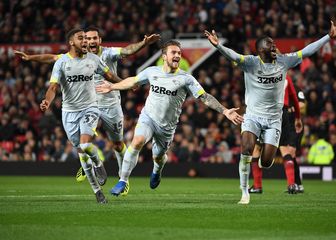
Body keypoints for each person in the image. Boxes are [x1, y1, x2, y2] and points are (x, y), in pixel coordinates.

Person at [15, 27, 160, 196]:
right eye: (86, 38)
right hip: (89, 104)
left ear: (99, 41)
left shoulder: (108, 53)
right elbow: (53, 58)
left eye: (93, 38)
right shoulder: (70, 58)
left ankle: (123, 177)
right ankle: (88, 164)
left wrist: (143, 44)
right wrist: (30, 58)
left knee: (117, 143)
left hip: (110, 104)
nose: (89, 41)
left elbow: (127, 51)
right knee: (82, 144)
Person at [205, 20, 336, 204]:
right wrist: (218, 45)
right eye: (270, 44)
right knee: (247, 148)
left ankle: (263, 162)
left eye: (274, 43)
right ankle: (244, 192)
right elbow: (234, 56)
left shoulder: (284, 61)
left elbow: (307, 51)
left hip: (275, 120)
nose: (274, 46)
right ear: (260, 50)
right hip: (252, 116)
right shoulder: (250, 63)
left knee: (266, 162)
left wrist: (328, 37)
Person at [95, 40, 244, 196]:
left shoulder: (186, 79)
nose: (177, 56)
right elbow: (133, 80)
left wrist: (225, 111)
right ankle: (123, 181)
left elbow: (204, 97)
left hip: (167, 127)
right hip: (148, 118)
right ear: (164, 56)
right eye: (174, 52)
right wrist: (112, 86)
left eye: (179, 53)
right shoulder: (152, 71)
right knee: (137, 141)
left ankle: (157, 170)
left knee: (158, 157)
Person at [40, 28, 122, 204]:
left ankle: (99, 164)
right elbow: (53, 87)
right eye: (81, 38)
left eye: (86, 38)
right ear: (71, 42)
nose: (85, 41)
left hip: (90, 108)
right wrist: (47, 101)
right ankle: (97, 191)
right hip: (69, 112)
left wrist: (124, 84)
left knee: (85, 144)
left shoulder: (94, 59)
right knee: (81, 153)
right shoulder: (62, 63)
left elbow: (109, 75)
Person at [249, 75, 303, 194]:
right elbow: (294, 97)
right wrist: (298, 117)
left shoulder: (262, 74)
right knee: (285, 149)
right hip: (282, 113)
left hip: (265, 111)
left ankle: (257, 186)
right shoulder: (286, 76)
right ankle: (291, 185)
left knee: (257, 148)